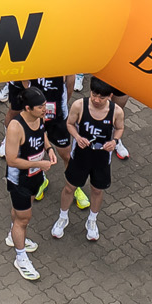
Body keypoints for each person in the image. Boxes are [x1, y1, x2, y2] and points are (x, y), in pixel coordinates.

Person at [49, 81, 121, 242]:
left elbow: (120, 128)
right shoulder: (79, 105)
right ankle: (63, 217)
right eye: (94, 95)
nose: (96, 100)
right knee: (70, 188)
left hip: (102, 159)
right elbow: (69, 124)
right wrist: (77, 137)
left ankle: (92, 220)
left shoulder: (116, 111)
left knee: (97, 190)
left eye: (101, 97)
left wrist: (115, 141)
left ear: (110, 96)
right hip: (80, 156)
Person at [1, 88, 55, 281]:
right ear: (27, 108)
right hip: (20, 180)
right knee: (24, 219)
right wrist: (39, 164)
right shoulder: (16, 127)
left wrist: (49, 149)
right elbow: (11, 160)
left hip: (35, 175)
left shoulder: (39, 117)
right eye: (40, 107)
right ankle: (20, 257)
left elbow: (42, 134)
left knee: (22, 212)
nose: (45, 109)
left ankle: (13, 235)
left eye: (44, 105)